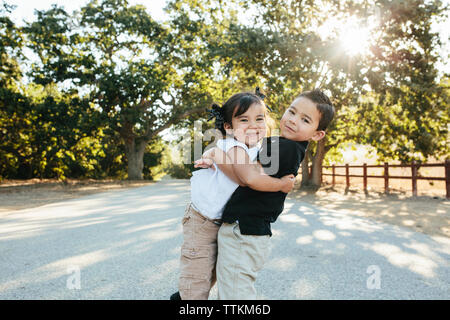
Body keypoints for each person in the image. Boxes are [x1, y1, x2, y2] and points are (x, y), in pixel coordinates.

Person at [203, 88, 335, 299]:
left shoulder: (287, 148)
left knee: (236, 294)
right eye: (292, 112)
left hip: (244, 231)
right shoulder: (280, 144)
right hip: (245, 230)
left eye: (305, 119)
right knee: (230, 290)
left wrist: (217, 155)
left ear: (318, 134)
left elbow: (246, 176)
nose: (293, 120)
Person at [170, 90, 296, 300]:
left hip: (223, 221)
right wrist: (281, 185)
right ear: (229, 127)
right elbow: (245, 178)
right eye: (244, 120)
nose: (254, 125)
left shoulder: (257, 148)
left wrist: (212, 154)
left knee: (213, 271)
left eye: (259, 119)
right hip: (203, 219)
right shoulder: (234, 146)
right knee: (198, 275)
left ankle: (181, 298)